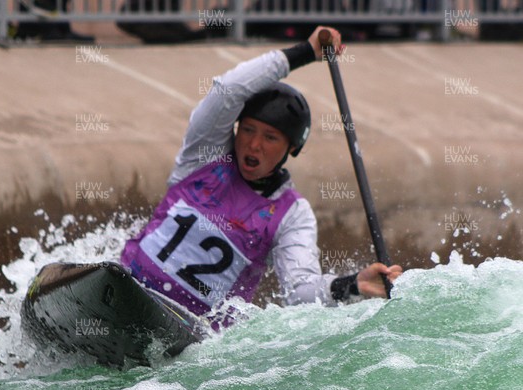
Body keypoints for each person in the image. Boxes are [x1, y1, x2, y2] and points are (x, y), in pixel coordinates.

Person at [120, 26, 402, 328]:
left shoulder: (292, 215)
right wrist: (304, 52)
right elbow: (228, 90)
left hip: (190, 332)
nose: (254, 144)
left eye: (270, 137)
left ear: (290, 148)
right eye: (249, 130)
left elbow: (299, 292)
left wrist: (352, 285)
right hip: (129, 287)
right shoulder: (204, 155)